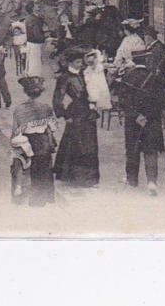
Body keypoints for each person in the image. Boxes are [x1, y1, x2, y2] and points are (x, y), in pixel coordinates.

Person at [121, 24, 165, 195]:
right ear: (147, 60)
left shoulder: (128, 77)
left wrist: (136, 115)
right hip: (151, 121)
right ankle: (151, 182)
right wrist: (147, 115)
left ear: (134, 61)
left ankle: (132, 179)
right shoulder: (155, 78)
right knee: (150, 151)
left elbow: (123, 102)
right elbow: (160, 102)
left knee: (132, 149)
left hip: (133, 121)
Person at [53, 47, 100, 187]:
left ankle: (89, 177)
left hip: (88, 112)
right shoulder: (64, 77)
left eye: (81, 62)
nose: (81, 64)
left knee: (90, 143)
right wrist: (64, 115)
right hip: (75, 113)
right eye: (78, 62)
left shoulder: (83, 74)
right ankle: (75, 177)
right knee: (76, 143)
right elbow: (57, 98)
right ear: (71, 63)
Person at [11, 76, 57, 206]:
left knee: (26, 171)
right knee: (43, 171)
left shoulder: (20, 109)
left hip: (27, 142)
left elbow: (16, 130)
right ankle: (42, 199)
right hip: (43, 141)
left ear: (26, 92)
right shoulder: (46, 108)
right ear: (41, 92)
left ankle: (25, 199)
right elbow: (53, 127)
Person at [83, 48, 112, 116]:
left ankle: (95, 102)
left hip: (96, 78)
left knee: (99, 89)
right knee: (94, 88)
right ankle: (93, 103)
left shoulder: (97, 66)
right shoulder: (92, 68)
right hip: (94, 80)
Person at [24, 2, 47, 77]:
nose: (38, 6)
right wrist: (44, 38)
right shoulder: (34, 19)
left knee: (31, 61)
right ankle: (34, 79)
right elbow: (36, 33)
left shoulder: (30, 17)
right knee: (35, 62)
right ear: (33, 8)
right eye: (36, 5)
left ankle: (31, 76)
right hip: (35, 43)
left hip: (31, 42)